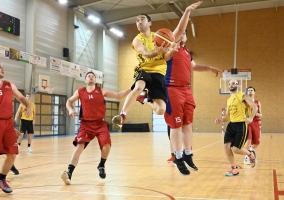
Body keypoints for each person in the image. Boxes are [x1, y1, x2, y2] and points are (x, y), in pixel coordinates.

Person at [112, 1, 203, 129]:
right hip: (144, 70)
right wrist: (156, 51)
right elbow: (145, 53)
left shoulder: (160, 36)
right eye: (136, 20)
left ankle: (144, 98)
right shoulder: (137, 39)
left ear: (150, 23)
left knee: (161, 110)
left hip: (159, 74)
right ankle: (123, 115)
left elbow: (178, 34)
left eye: (142, 19)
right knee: (139, 86)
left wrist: (187, 11)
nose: (139, 21)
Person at [164, 30, 222, 175]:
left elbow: (194, 67)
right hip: (172, 88)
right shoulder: (169, 48)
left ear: (187, 37)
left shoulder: (186, 51)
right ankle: (177, 156)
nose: (182, 34)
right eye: (180, 32)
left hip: (186, 90)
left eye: (185, 33)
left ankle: (187, 154)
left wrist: (209, 68)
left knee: (187, 124)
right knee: (175, 125)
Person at [61, 71, 131, 185]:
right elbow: (69, 101)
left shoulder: (101, 91)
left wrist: (132, 88)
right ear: (85, 80)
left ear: (95, 80)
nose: (91, 77)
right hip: (85, 124)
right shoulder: (80, 91)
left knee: (107, 145)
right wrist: (70, 109)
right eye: (88, 76)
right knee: (79, 148)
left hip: (100, 124)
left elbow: (119, 95)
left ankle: (101, 165)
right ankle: (69, 173)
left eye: (93, 76)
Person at [0, 60, 31, 198]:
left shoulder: (9, 85)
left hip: (7, 123)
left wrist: (27, 106)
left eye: (2, 66)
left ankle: (1, 179)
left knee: (12, 154)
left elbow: (21, 97)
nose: (2, 68)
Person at [215, 79, 257, 177]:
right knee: (226, 146)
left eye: (233, 83)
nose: (231, 85)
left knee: (236, 149)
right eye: (229, 84)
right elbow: (227, 116)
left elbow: (254, 107)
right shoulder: (229, 100)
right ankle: (234, 169)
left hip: (241, 125)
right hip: (231, 125)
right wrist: (221, 120)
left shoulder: (243, 96)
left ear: (238, 85)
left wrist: (251, 118)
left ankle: (250, 154)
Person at [243, 86, 262, 165]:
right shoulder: (245, 102)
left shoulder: (258, 102)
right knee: (249, 139)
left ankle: (249, 150)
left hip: (256, 122)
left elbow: (261, 114)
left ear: (254, 92)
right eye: (249, 90)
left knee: (257, 142)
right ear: (247, 92)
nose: (250, 91)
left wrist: (258, 114)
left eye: (252, 90)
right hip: (248, 122)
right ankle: (247, 157)